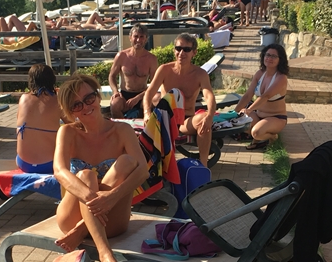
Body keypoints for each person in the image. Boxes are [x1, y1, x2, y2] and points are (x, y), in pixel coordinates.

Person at [53, 74, 148, 262]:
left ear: (98, 96)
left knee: (127, 162)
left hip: (113, 220)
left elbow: (143, 171)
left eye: (89, 98)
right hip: (71, 216)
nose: (86, 106)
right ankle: (105, 254)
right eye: (77, 105)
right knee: (86, 175)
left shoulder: (122, 130)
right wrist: (92, 198)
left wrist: (111, 197)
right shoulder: (67, 132)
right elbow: (59, 171)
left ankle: (82, 229)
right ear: (70, 111)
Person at [143, 33, 217, 167]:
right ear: (174, 50)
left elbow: (209, 95)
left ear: (194, 52)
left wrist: (210, 116)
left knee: (204, 120)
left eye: (186, 49)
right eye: (178, 48)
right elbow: (149, 92)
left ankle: (203, 165)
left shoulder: (200, 74)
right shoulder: (164, 70)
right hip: (165, 119)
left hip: (185, 120)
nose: (181, 53)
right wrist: (147, 113)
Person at [234, 43, 289, 151]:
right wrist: (234, 112)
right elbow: (248, 95)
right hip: (258, 115)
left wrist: (249, 110)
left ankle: (272, 137)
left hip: (276, 118)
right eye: (267, 55)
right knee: (237, 121)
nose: (269, 58)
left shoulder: (281, 78)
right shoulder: (260, 73)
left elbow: (265, 96)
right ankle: (257, 139)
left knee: (256, 132)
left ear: (280, 60)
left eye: (274, 56)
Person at [16, 64, 62, 173]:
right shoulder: (57, 100)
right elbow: (73, 122)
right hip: (50, 163)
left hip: (23, 163)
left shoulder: (23, 98)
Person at [108, 24, 158, 119]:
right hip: (124, 94)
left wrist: (138, 98)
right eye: (136, 36)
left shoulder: (151, 59)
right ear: (130, 38)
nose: (138, 40)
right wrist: (115, 91)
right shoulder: (121, 56)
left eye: (141, 37)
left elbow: (154, 84)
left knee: (157, 99)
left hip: (143, 94)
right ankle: (121, 126)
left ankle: (150, 125)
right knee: (115, 104)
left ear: (146, 39)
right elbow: (111, 76)